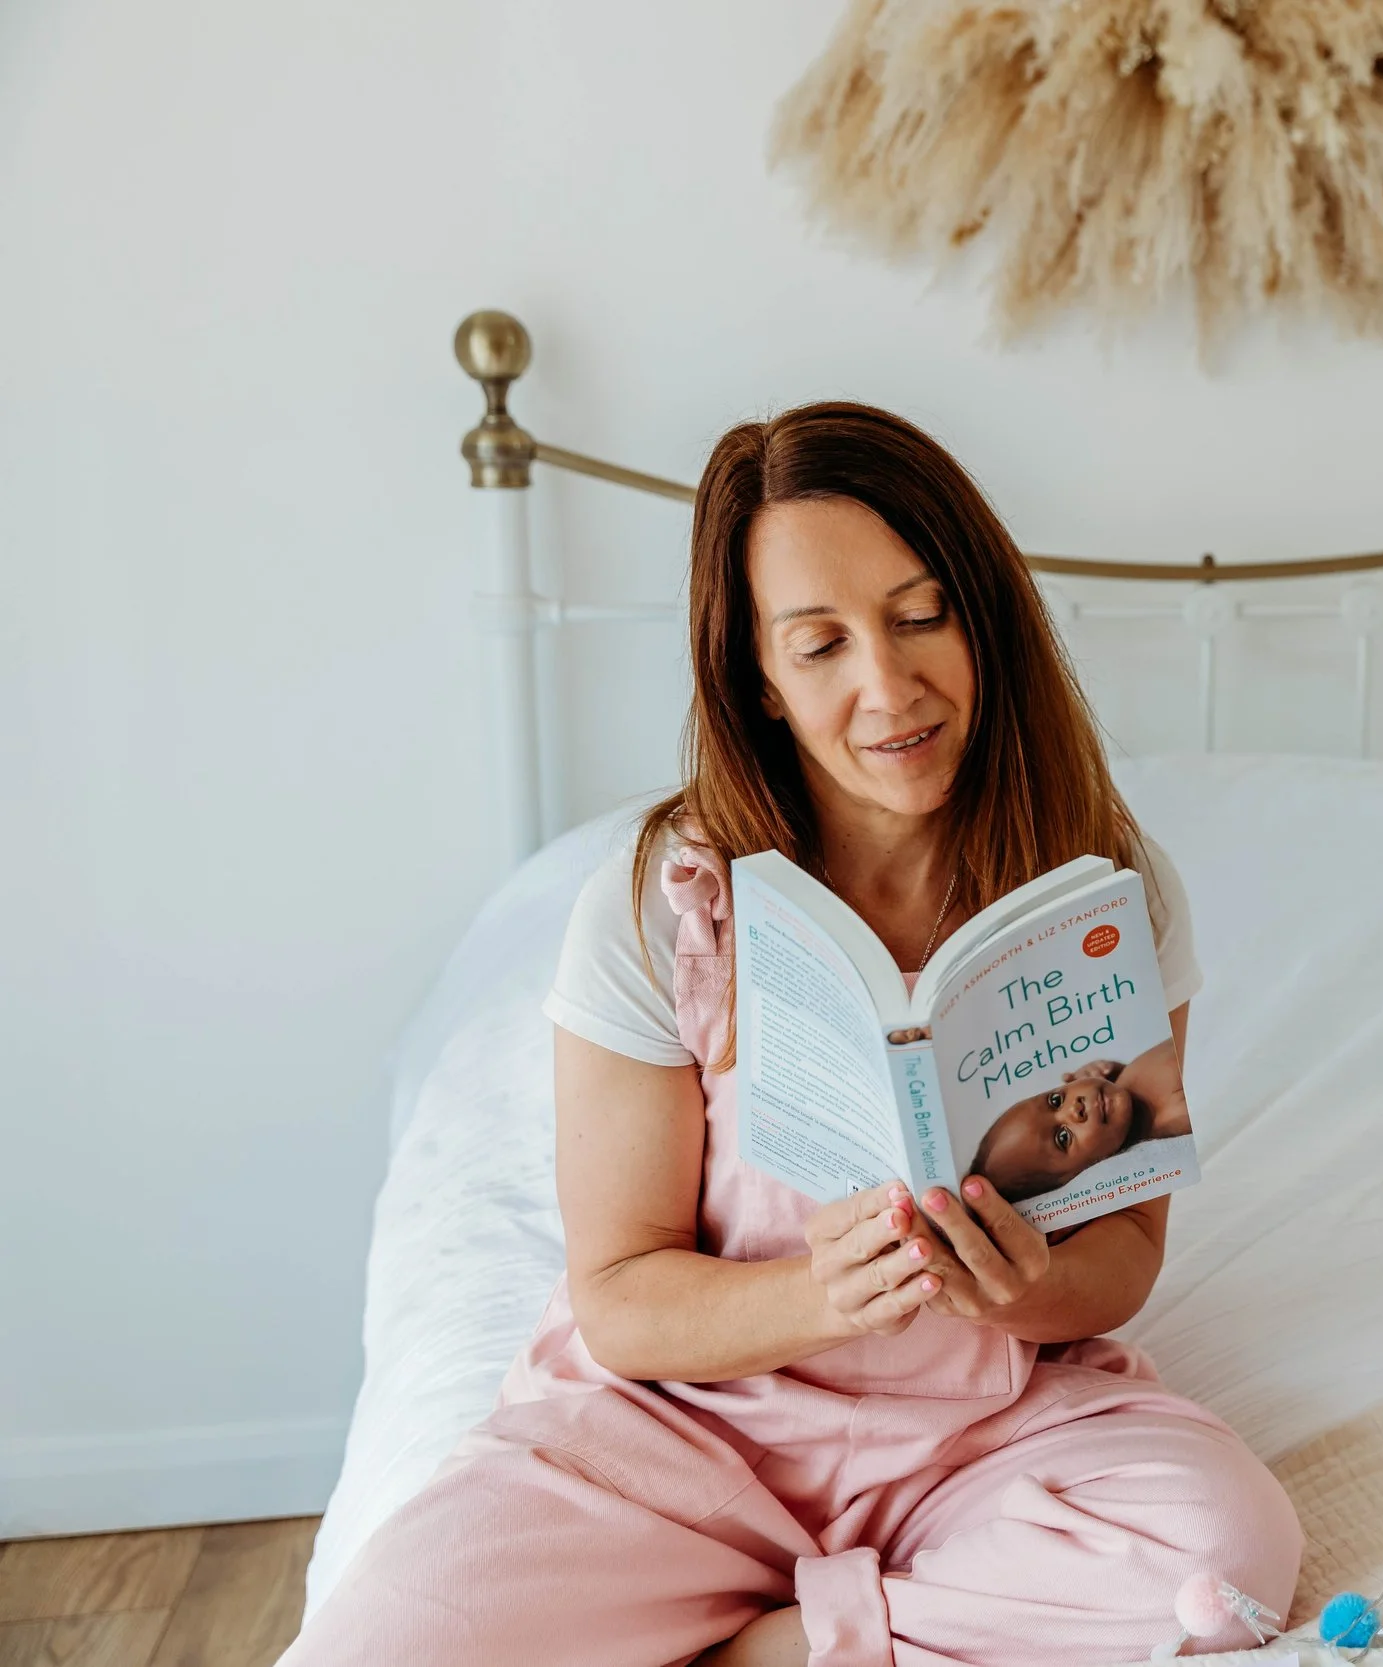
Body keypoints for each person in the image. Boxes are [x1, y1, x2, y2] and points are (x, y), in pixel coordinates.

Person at [284, 405, 1300, 1667]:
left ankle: (767, 1647)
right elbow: (620, 1301)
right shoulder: (659, 903)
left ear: (984, 616)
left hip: (973, 1438)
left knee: (1223, 1549)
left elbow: (1128, 1251)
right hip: (677, 1444)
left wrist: (1027, 1283)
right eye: (821, 644)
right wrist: (821, 1295)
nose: (890, 687)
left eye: (923, 614)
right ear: (759, 677)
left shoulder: (1105, 890)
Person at [970, 1042, 1192, 1204]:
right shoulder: (1168, 1117)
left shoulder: (1124, 1088)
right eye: (1063, 1138)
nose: (1074, 1108)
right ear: (1082, 1177)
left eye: (1056, 1100)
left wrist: (1116, 1072)